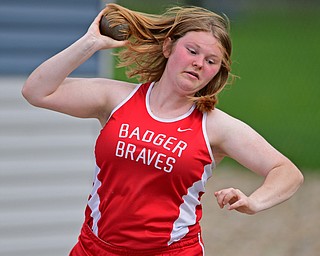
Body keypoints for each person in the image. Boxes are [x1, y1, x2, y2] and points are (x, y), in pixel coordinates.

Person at [22, 3, 303, 256]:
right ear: (168, 48)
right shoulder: (116, 99)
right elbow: (37, 91)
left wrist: (254, 202)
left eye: (211, 61)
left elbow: (286, 171)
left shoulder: (215, 126)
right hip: (95, 247)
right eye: (192, 51)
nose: (198, 63)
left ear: (217, 72)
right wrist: (90, 43)